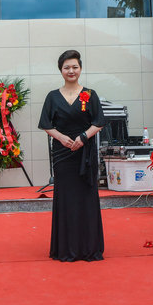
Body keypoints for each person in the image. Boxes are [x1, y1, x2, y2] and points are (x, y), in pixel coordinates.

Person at [38, 50, 106, 261]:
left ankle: (89, 247)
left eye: (75, 67)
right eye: (67, 67)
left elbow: (99, 122)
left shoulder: (90, 94)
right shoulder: (52, 96)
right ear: (61, 70)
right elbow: (46, 125)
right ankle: (66, 248)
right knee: (66, 198)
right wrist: (61, 138)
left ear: (80, 69)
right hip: (62, 154)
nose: (71, 71)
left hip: (84, 153)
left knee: (86, 197)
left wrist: (84, 137)